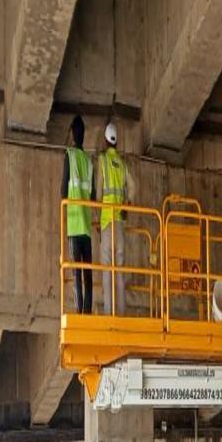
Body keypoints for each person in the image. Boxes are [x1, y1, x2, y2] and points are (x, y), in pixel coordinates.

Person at [95, 121, 129, 315]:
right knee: (120, 271)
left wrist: (97, 217)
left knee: (108, 270)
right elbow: (133, 186)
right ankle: (122, 313)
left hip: (107, 222)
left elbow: (99, 192)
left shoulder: (103, 161)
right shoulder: (122, 165)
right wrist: (127, 204)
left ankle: (110, 314)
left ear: (105, 141)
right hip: (120, 224)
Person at [62, 115, 93, 313]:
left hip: (74, 223)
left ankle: (79, 309)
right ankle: (87, 310)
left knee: (76, 271)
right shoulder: (88, 162)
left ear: (73, 134)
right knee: (88, 271)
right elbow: (94, 193)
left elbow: (63, 190)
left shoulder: (70, 155)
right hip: (87, 226)